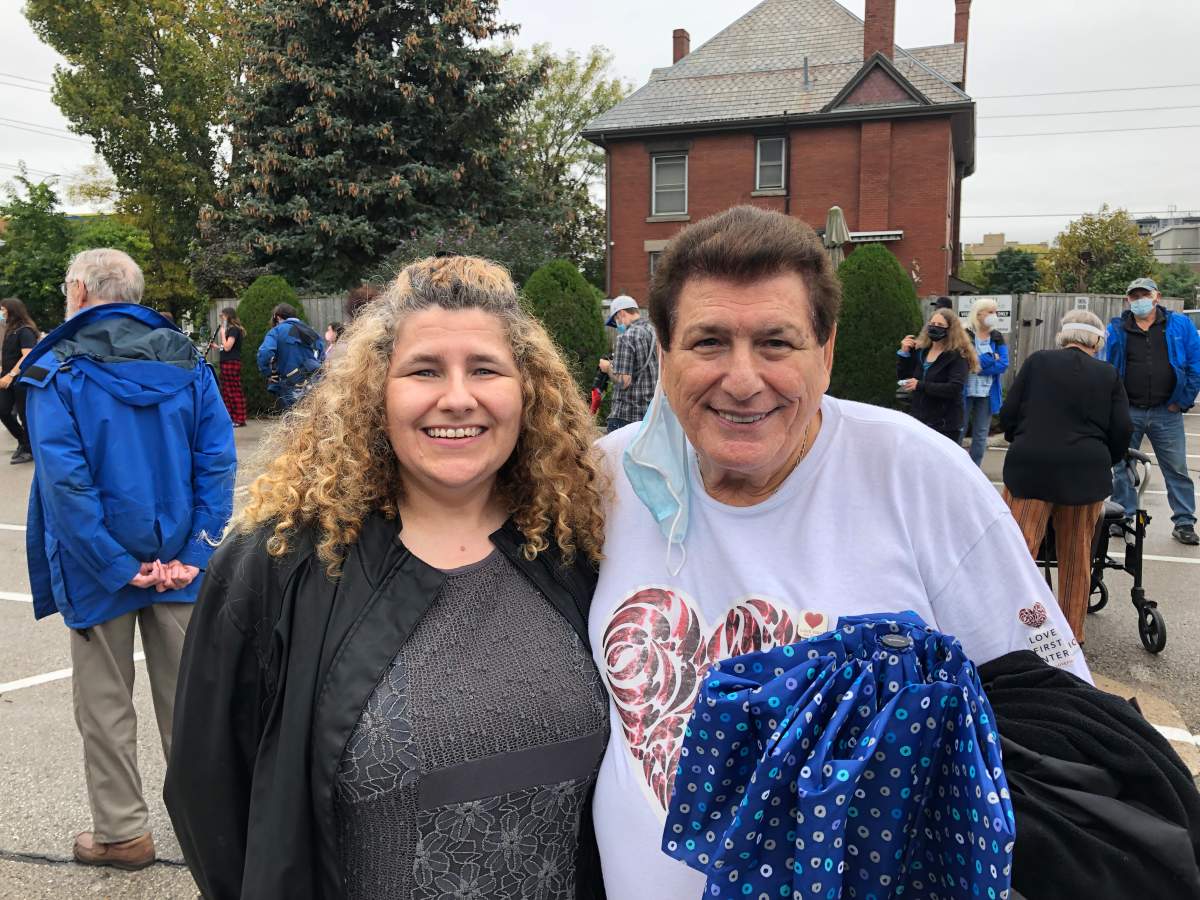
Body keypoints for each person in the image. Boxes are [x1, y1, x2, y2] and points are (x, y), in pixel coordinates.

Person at [587, 206, 1090, 900]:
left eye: (776, 343)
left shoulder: (918, 475)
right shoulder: (607, 479)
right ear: (665, 355)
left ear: (825, 354)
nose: (742, 379)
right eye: (708, 342)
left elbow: (1056, 721)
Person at [166, 256, 611, 900]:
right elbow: (209, 794)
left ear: (529, 391)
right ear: (376, 390)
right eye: (424, 370)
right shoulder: (278, 564)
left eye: (485, 369)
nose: (457, 397)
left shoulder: (574, 547)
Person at [18, 248, 235, 870]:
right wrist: (196, 551)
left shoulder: (55, 367)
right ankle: (214, 830)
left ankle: (121, 833)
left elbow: (66, 483)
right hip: (180, 562)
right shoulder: (190, 360)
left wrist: (115, 564)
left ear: (79, 291)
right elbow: (217, 461)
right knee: (190, 703)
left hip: (97, 568)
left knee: (105, 703)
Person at [998, 310, 1133, 643]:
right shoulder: (1108, 374)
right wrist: (1106, 458)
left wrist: (1022, 438)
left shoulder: (1037, 362)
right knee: (1076, 557)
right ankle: (1072, 637)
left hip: (1031, 466)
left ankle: (1007, 628)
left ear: (1064, 336)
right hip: (1084, 471)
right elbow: (1122, 429)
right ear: (1097, 340)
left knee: (1018, 551)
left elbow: (1009, 413)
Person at [1106, 277, 1200, 545]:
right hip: (1128, 410)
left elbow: (1195, 365)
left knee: (1177, 468)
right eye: (1134, 296)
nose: (1140, 301)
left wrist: (1181, 401)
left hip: (1166, 412)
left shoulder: (1180, 324)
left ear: (1157, 296)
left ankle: (1184, 522)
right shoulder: (1118, 328)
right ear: (1128, 300)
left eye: (1144, 295)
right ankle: (1123, 517)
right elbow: (1108, 366)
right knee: (1122, 466)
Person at [896, 306, 978, 442]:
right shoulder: (921, 351)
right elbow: (904, 378)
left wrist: (920, 385)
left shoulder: (957, 355)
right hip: (919, 419)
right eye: (932, 324)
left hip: (945, 423)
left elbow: (955, 388)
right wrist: (904, 354)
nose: (935, 327)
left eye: (940, 325)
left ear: (950, 330)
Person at [598, 294, 658, 432]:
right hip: (649, 415)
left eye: (616, 321)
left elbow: (624, 381)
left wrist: (608, 368)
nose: (617, 326)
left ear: (621, 314)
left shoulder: (626, 337)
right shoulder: (654, 333)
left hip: (626, 415)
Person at [962, 296, 1009, 466]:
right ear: (979, 314)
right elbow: (964, 362)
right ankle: (957, 467)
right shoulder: (965, 334)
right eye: (990, 312)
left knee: (981, 435)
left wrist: (976, 367)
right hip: (964, 391)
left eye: (995, 312)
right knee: (959, 430)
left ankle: (975, 468)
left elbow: (1003, 364)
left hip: (988, 393)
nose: (994, 315)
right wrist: (990, 358)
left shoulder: (996, 337)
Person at [256, 302, 325, 410]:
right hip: (315, 382)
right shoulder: (310, 331)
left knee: (292, 417)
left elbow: (265, 353)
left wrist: (268, 372)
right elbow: (322, 355)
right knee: (311, 416)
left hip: (291, 384)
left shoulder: (276, 331)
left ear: (277, 317)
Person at [0, 297, 38, 463]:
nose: (1, 312)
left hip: (20, 378)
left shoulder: (25, 330)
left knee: (24, 415)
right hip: (6, 377)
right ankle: (24, 442)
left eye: (3, 309)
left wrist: (11, 375)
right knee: (3, 411)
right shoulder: (10, 330)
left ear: (12, 310)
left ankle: (29, 450)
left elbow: (27, 356)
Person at [209, 306, 247, 427]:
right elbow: (226, 348)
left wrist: (222, 333)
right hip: (227, 362)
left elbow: (227, 347)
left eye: (223, 316)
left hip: (231, 363)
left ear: (228, 317)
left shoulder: (233, 330)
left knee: (233, 391)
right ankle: (231, 417)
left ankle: (239, 418)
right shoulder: (231, 330)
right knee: (226, 391)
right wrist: (216, 347)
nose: (221, 319)